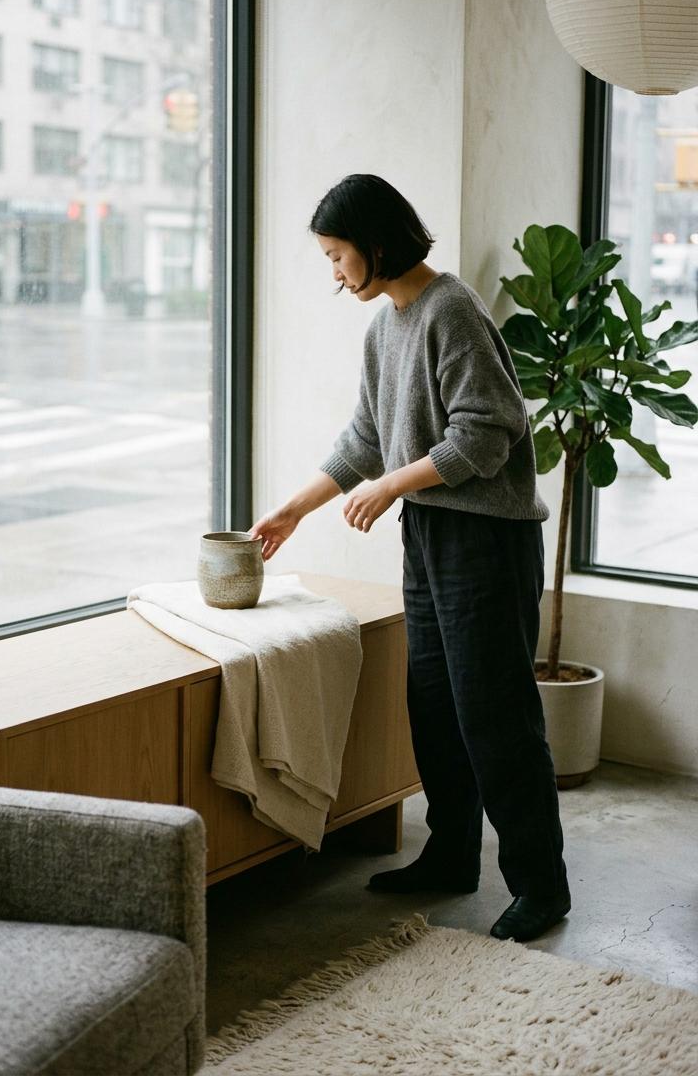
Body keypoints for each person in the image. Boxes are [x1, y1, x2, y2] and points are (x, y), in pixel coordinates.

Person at [249, 173, 570, 943]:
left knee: (495, 716)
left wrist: (392, 484)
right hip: (429, 533)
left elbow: (486, 434)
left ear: (376, 243)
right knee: (434, 707)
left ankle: (542, 886)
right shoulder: (385, 327)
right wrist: (294, 509)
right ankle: (452, 855)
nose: (334, 273)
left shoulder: (450, 310)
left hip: (485, 540)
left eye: (337, 255)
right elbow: (367, 436)